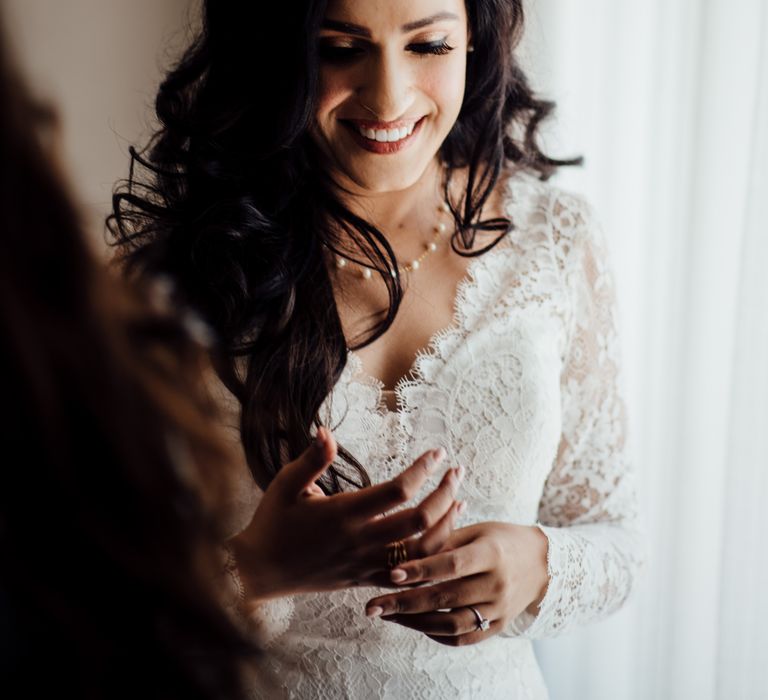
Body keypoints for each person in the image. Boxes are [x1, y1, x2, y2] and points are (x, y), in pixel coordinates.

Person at [109, 0, 647, 697]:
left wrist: (539, 565)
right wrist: (256, 569)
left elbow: (617, 539)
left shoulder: (557, 240)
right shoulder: (172, 280)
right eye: (339, 49)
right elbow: (96, 603)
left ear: (475, 46)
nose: (389, 96)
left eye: (427, 46)